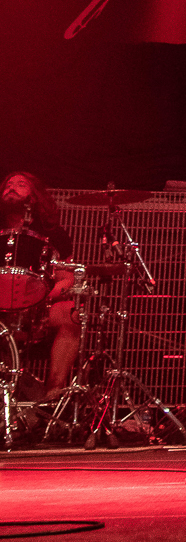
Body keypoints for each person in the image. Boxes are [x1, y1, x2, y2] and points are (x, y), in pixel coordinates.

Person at [0, 172, 81, 402]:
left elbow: (67, 279)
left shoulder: (52, 233)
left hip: (36, 310)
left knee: (71, 315)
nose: (11, 188)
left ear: (34, 197)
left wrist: (41, 298)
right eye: (8, 185)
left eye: (20, 184)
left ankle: (52, 393)